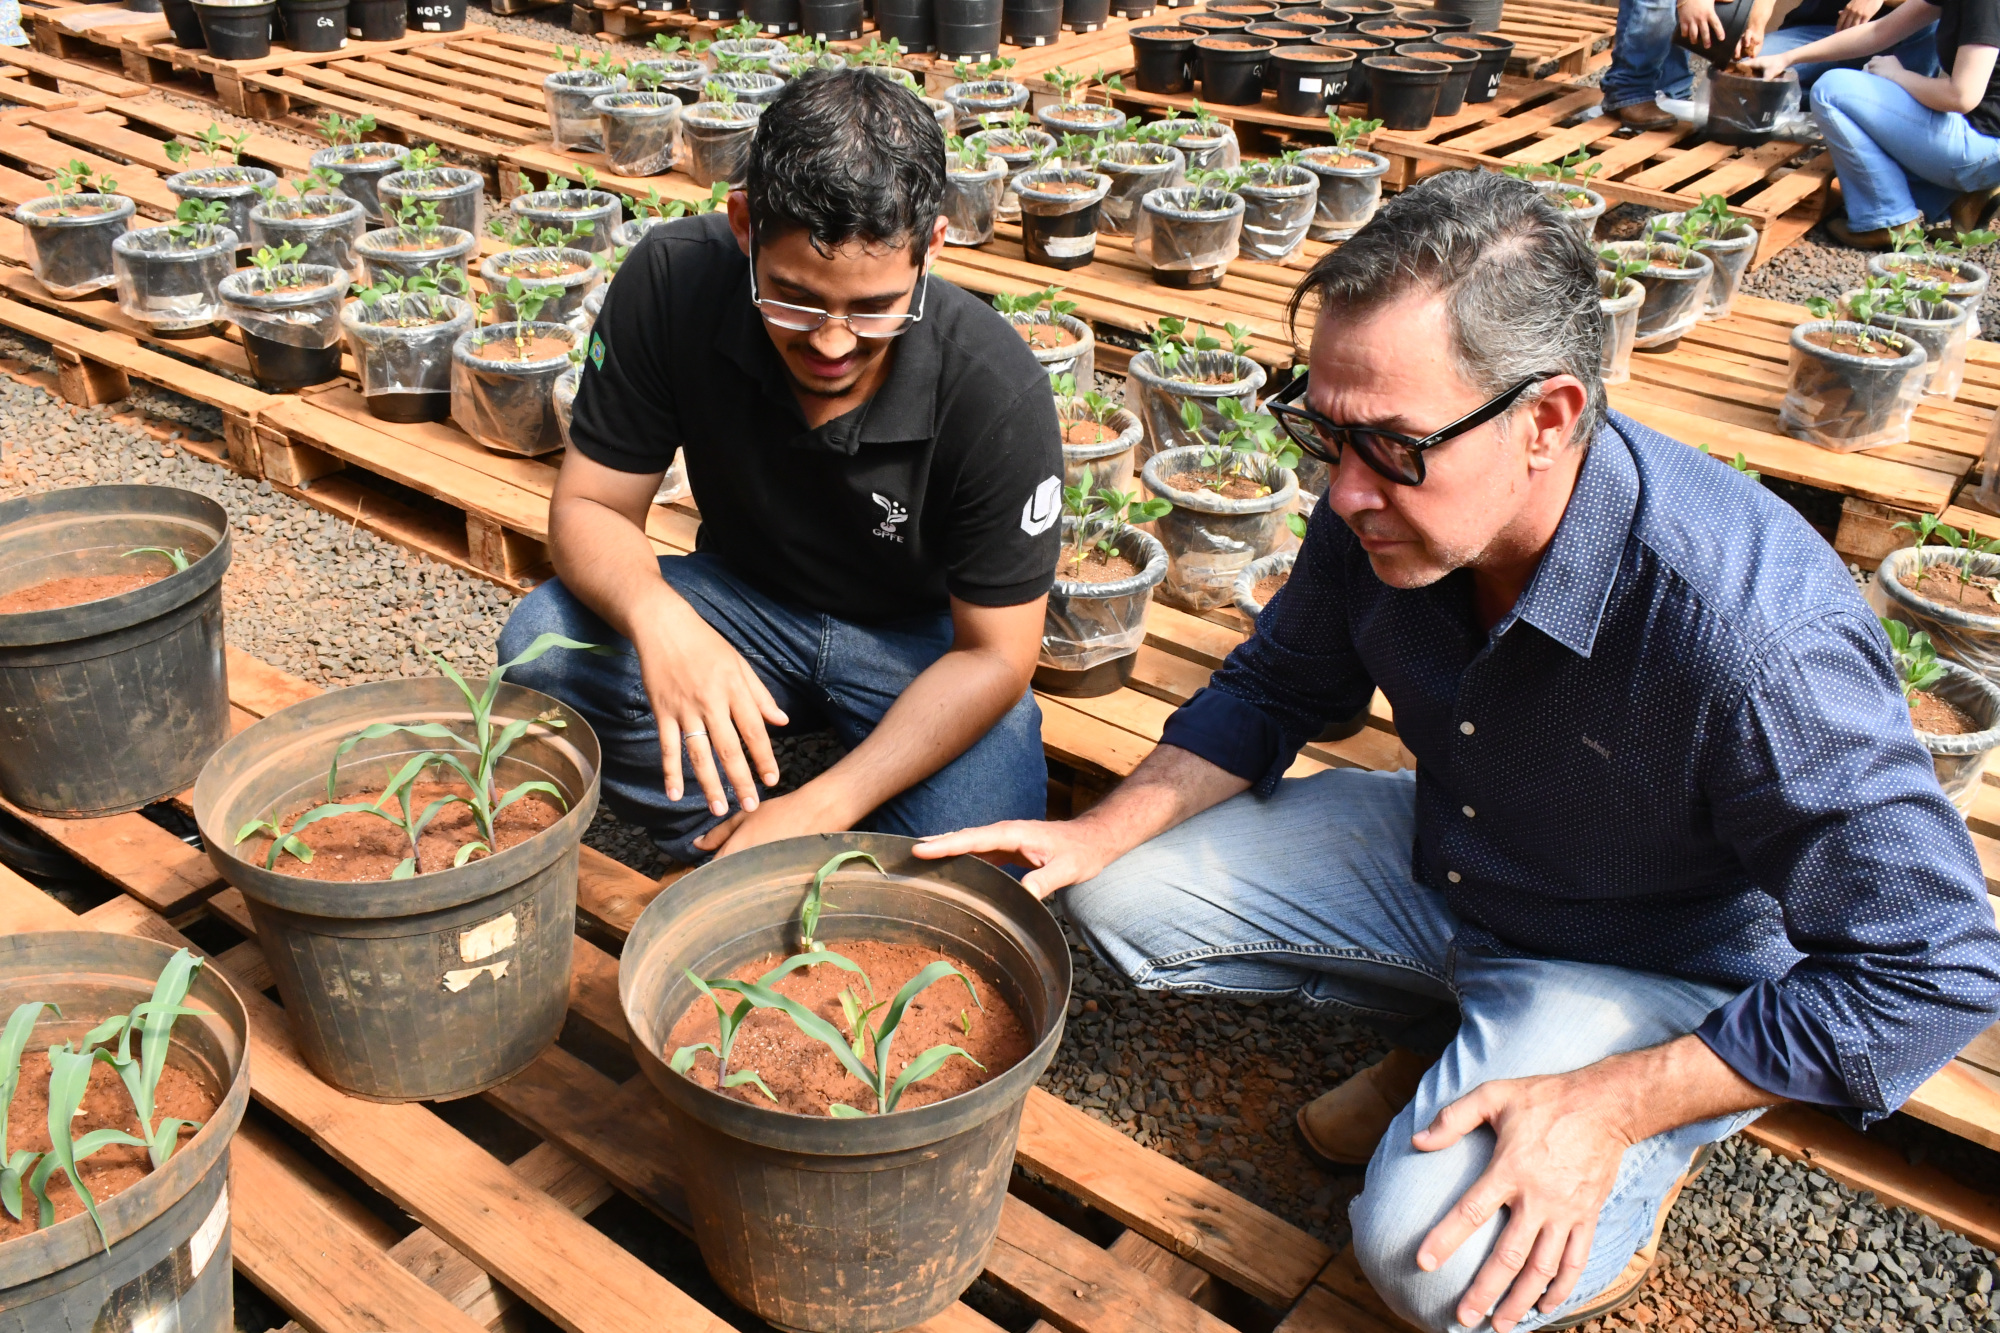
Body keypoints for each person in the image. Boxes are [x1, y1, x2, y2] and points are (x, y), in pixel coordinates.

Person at [916, 170, 2000, 1333]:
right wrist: (1094, 827)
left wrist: (1615, 1102)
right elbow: (1277, 683)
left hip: (1650, 948)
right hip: (1464, 847)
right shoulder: (1382, 502)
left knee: (1426, 1269)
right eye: (1322, 432)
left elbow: (1938, 967)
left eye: (1385, 446)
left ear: (1544, 419)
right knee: (1120, 891)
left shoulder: (1749, 641)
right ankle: (1469, 1037)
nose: (1339, 492)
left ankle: (1633, 1123)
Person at [496, 68, 1062, 864]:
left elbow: (998, 654)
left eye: (873, 309)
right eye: (794, 299)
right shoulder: (672, 283)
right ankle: (721, 848)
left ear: (932, 248)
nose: (832, 343)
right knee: (548, 644)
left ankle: (789, 823)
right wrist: (661, 621)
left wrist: (823, 800)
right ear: (742, 227)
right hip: (747, 598)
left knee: (979, 853)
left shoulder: (994, 390)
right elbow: (590, 505)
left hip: (920, 644)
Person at [1744, 0, 2000, 243]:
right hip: (1982, 142)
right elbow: (1880, 30)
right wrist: (1787, 58)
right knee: (1852, 95)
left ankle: (1886, 219)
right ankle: (1960, 197)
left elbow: (1961, 96)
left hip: (1981, 146)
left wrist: (1897, 76)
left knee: (1832, 90)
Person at [1737, 0, 1938, 90]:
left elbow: (1939, 4)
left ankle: (1899, 111)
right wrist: (1755, 26)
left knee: (1933, 22)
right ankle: (1822, 101)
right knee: (1747, 72)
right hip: (1818, 33)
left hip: (1893, 45)